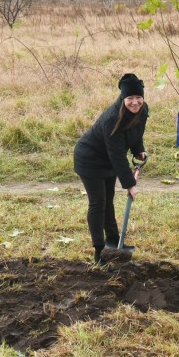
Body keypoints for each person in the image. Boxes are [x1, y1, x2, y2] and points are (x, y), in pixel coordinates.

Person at [74, 73, 148, 263]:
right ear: (122, 98)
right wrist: (130, 184)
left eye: (138, 98)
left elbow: (136, 133)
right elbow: (116, 155)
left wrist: (138, 150)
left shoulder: (143, 110)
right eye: (130, 98)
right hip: (90, 158)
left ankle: (114, 242)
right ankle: (99, 252)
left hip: (108, 160)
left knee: (109, 201)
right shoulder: (111, 119)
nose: (135, 102)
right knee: (98, 203)